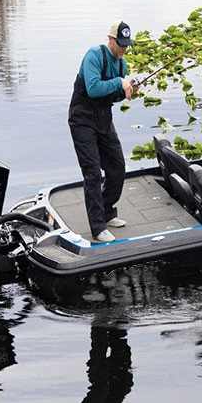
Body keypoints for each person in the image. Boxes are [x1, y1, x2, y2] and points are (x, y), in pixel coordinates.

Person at [68, 21, 139, 243]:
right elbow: (93, 88)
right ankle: (98, 227)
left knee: (117, 167)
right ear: (110, 39)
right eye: (120, 44)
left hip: (104, 120)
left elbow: (112, 97)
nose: (123, 49)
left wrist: (128, 90)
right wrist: (119, 82)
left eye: (126, 45)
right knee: (93, 174)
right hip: (82, 121)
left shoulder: (122, 64)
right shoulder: (94, 55)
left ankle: (107, 212)